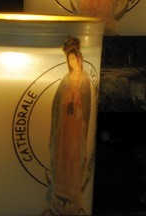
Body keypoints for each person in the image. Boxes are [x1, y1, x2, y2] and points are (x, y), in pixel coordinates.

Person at [48, 37, 93, 213]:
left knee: (74, 154)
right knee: (63, 153)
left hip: (76, 124)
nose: (72, 62)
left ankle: (72, 187)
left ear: (79, 59)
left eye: (74, 59)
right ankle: (61, 184)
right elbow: (58, 101)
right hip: (64, 125)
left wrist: (77, 107)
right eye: (69, 60)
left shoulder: (84, 79)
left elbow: (86, 104)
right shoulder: (66, 79)